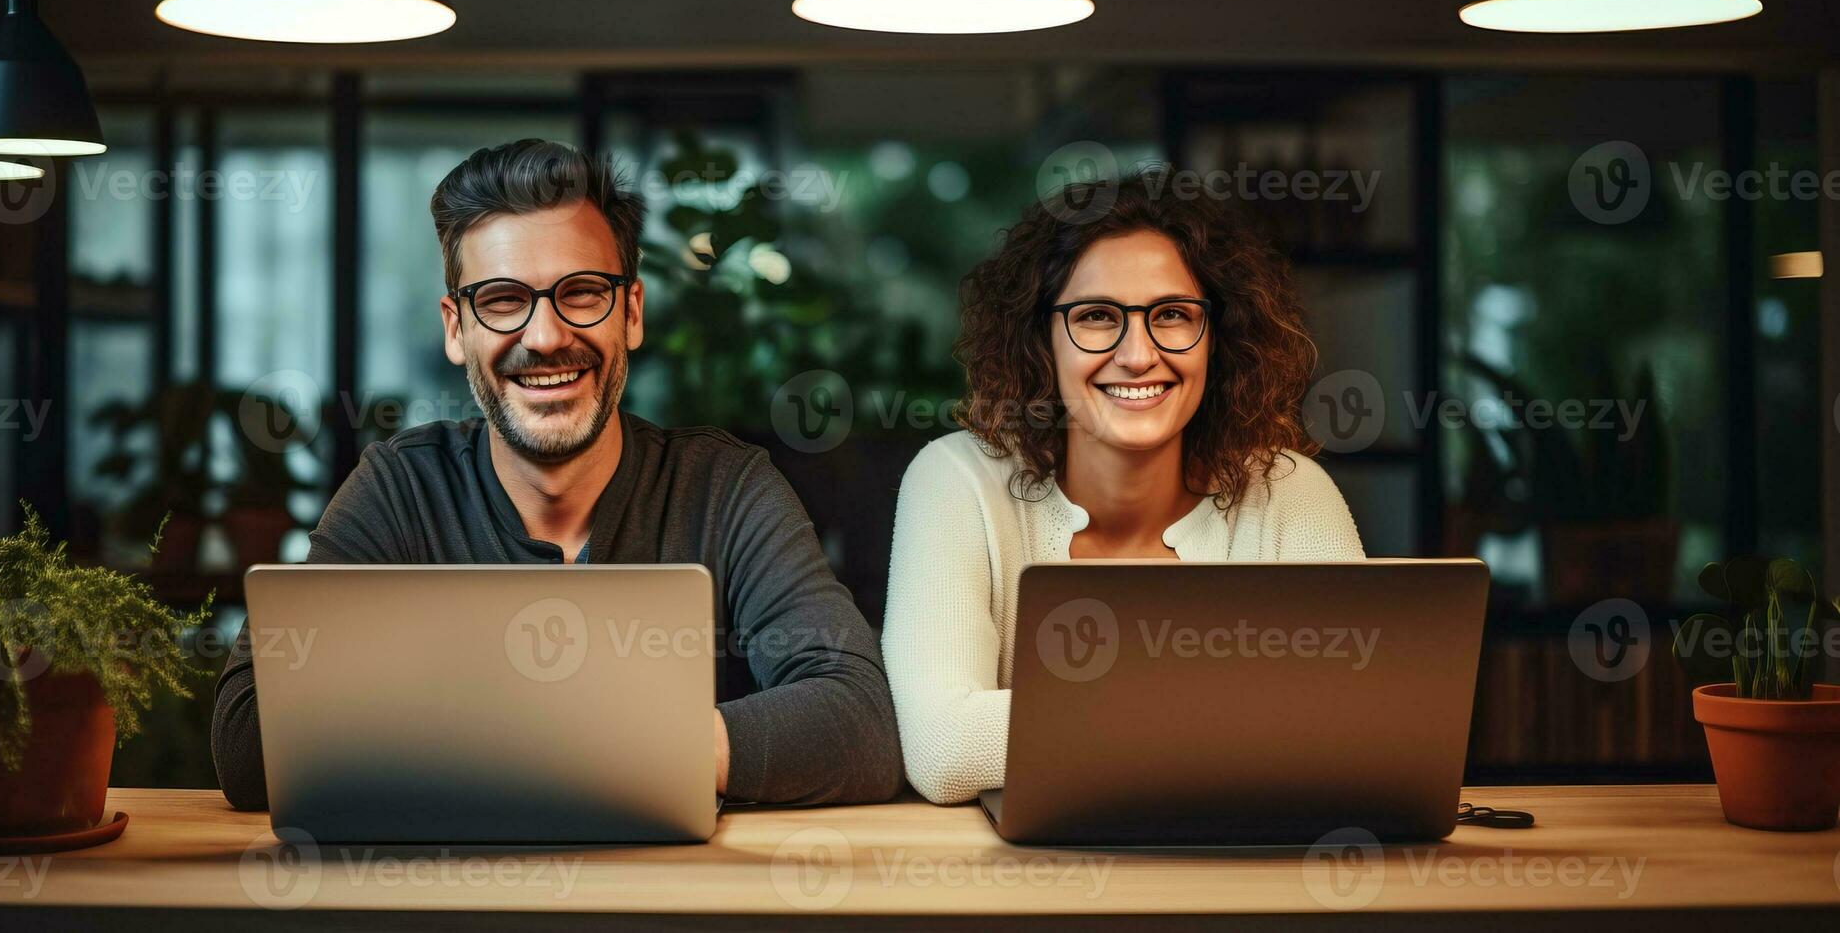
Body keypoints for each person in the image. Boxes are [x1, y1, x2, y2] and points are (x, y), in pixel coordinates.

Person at [211, 139, 902, 810]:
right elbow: (250, 739)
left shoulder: (726, 489)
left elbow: (859, 721)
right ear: (457, 329)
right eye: (504, 300)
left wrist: (520, 743)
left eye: (579, 293)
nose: (544, 337)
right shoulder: (400, 491)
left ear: (630, 312)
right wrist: (606, 747)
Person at [882, 170, 1365, 804]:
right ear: (1041, 342)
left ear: (1218, 339)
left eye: (1171, 315)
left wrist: (1079, 726)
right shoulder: (957, 480)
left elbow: (1355, 732)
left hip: (1246, 876)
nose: (1137, 354)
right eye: (1096, 316)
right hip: (1022, 889)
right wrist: (1250, 718)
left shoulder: (1289, 492)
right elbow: (944, 749)